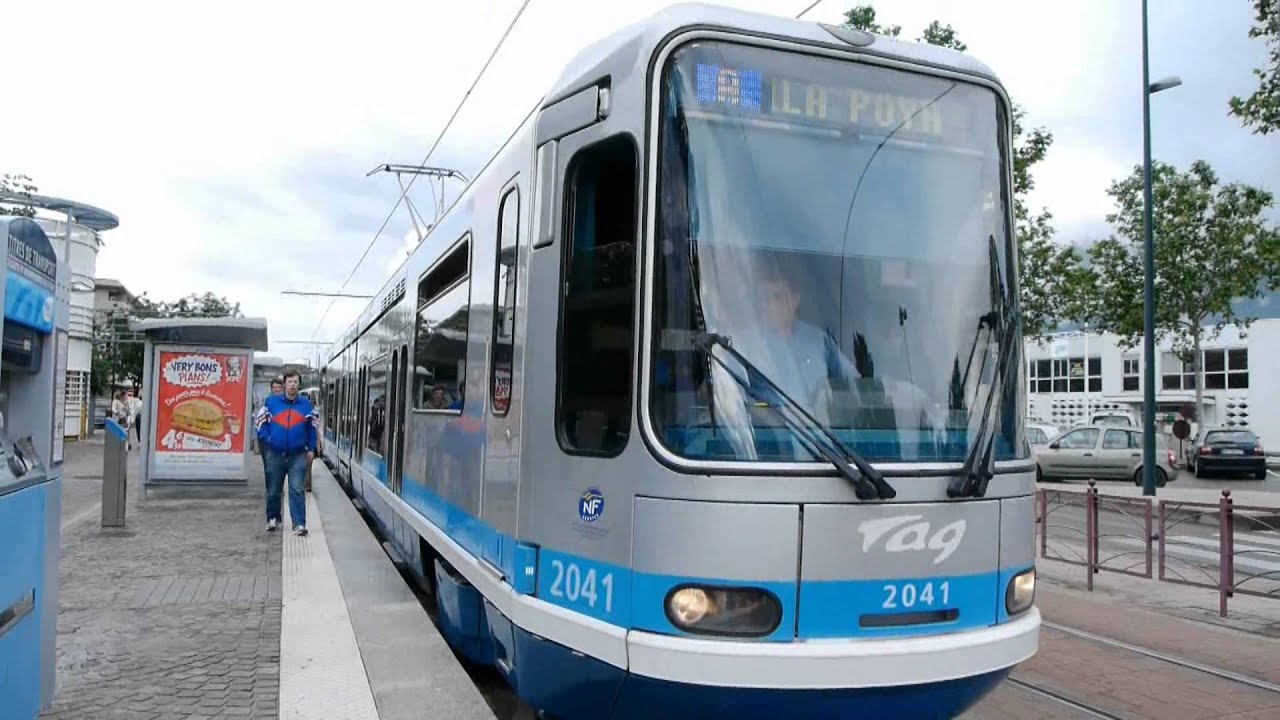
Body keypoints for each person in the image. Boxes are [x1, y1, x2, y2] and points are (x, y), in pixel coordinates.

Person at [256, 371, 317, 535]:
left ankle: (299, 524)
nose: (292, 385)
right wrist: (268, 439)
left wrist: (311, 448)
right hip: (275, 453)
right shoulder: (271, 402)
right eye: (289, 382)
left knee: (297, 489)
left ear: (299, 385)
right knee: (274, 488)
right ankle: (273, 517)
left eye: (295, 382)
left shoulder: (306, 405)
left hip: (298, 454)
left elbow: (312, 428)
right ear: (284, 384)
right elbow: (260, 423)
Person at [258, 378, 284, 492]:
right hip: (266, 440)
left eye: (279, 388)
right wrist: (266, 436)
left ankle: (276, 487)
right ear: (271, 389)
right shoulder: (267, 401)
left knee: (277, 466)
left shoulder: (286, 402)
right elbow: (261, 421)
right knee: (268, 466)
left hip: (279, 440)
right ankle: (270, 488)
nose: (277, 390)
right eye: (275, 388)